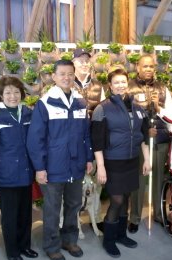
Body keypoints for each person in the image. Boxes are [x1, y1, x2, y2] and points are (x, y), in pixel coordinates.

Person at [26, 59, 94, 260]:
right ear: (53, 77)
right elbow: (35, 140)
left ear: (74, 76)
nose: (66, 77)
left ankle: (69, 241)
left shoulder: (80, 102)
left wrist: (89, 158)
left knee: (74, 205)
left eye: (70, 74)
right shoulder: (45, 103)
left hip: (76, 165)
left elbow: (86, 134)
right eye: (62, 74)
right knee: (53, 208)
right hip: (53, 168)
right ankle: (52, 246)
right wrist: (40, 168)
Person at [91, 69, 151, 258]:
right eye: (116, 82)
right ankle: (109, 240)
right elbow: (97, 141)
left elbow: (143, 136)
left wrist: (147, 159)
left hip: (132, 160)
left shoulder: (137, 107)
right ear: (110, 85)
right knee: (116, 200)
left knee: (125, 199)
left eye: (123, 82)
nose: (120, 85)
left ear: (128, 83)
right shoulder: (102, 108)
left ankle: (121, 235)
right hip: (112, 161)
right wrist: (100, 166)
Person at [0, 76, 38, 260]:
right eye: (8, 92)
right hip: (6, 177)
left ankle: (25, 246)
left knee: (25, 214)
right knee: (10, 217)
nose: (13, 96)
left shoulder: (28, 113)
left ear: (21, 94)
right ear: (1, 95)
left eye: (16, 92)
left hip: (25, 174)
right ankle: (13, 252)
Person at [127, 54, 172, 233]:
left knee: (159, 180)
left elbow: (170, 116)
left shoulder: (163, 89)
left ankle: (159, 214)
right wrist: (142, 131)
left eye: (151, 67)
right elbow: (125, 116)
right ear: (137, 67)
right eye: (144, 66)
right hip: (139, 142)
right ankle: (135, 217)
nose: (148, 69)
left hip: (159, 140)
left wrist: (158, 106)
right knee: (139, 180)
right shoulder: (129, 88)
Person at [72, 48, 106, 232]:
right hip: (74, 142)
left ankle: (97, 217)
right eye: (80, 60)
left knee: (95, 182)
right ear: (73, 62)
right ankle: (73, 218)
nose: (84, 64)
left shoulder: (98, 87)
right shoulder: (67, 84)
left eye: (87, 61)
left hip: (93, 142)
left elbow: (103, 114)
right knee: (75, 183)